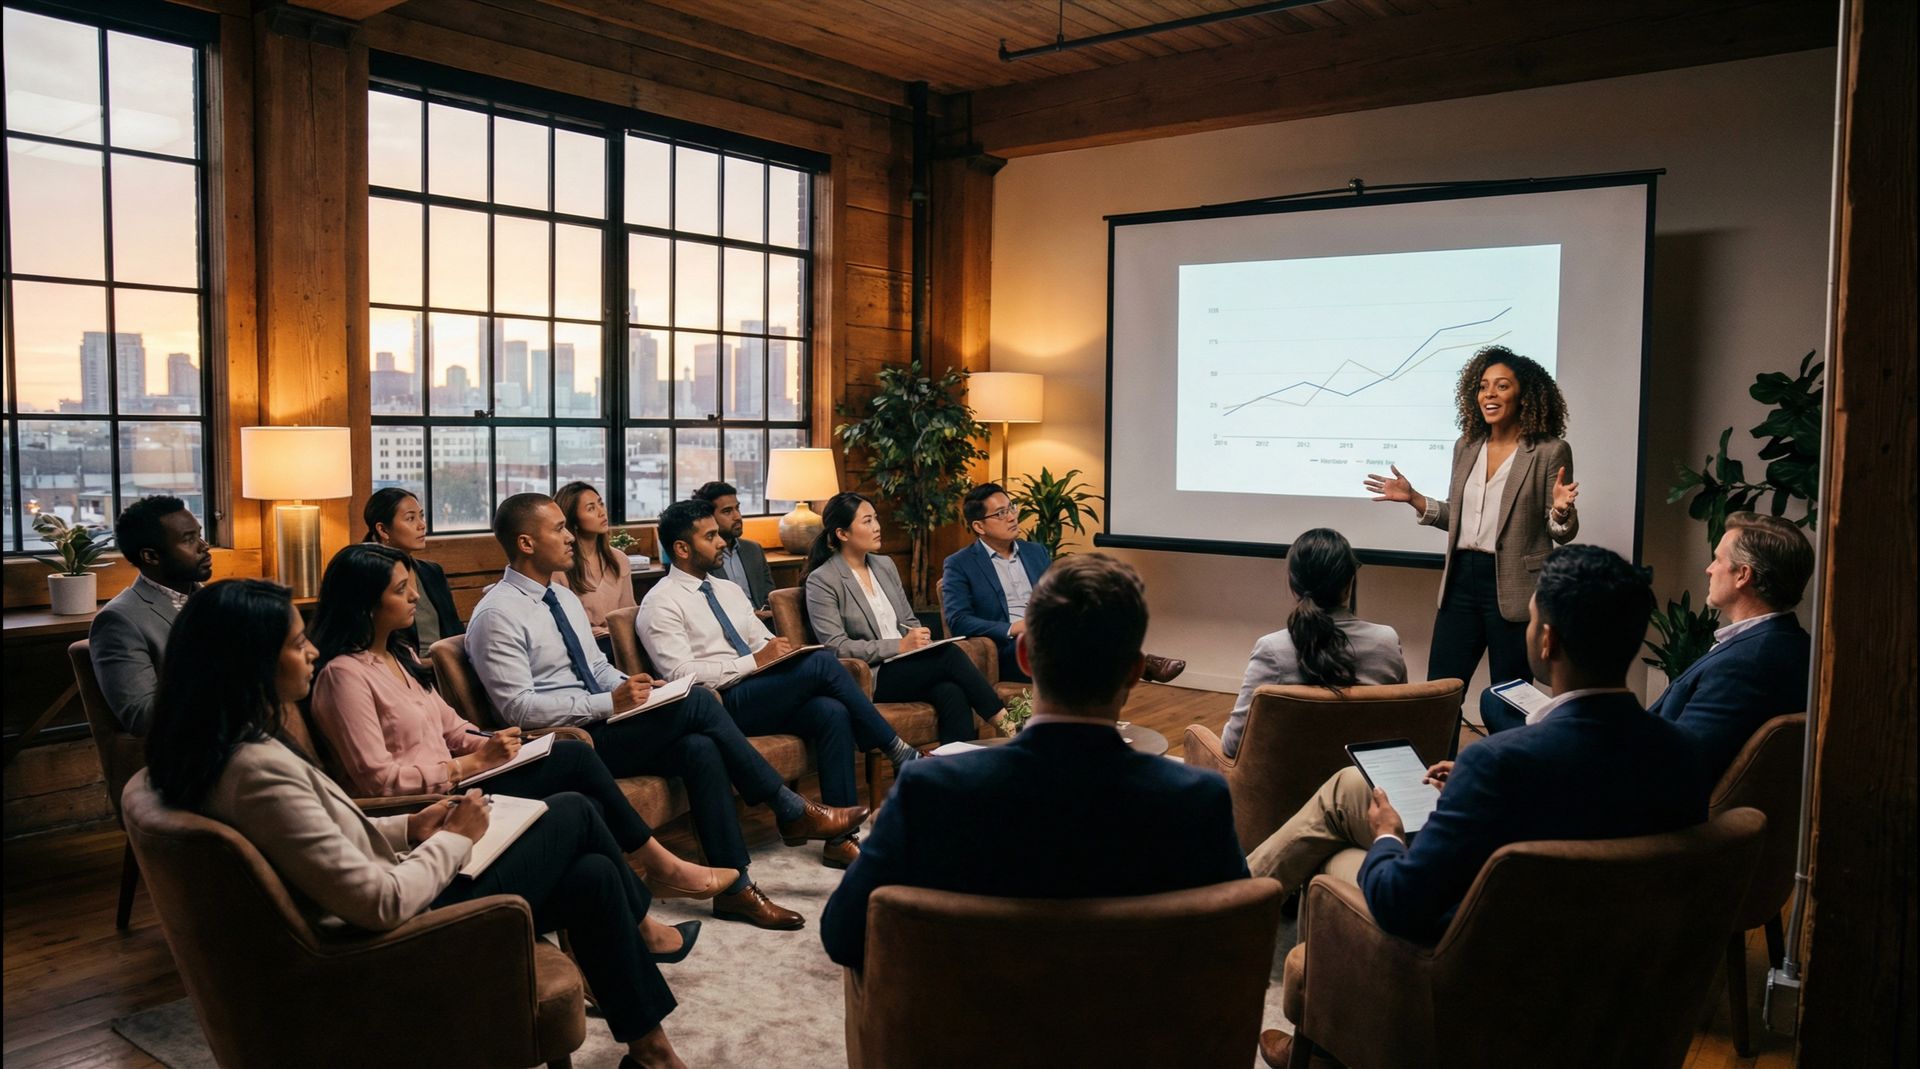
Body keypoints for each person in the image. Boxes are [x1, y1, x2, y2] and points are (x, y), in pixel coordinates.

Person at [143, 579, 690, 1068]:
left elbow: (314, 833)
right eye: (294, 643)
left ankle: (651, 1053)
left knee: (592, 874)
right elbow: (378, 902)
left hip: (390, 895)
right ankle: (647, 948)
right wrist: (455, 838)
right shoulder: (256, 771)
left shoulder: (219, 752)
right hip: (385, 943)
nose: (310, 649)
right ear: (248, 662)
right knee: (571, 809)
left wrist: (409, 829)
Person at [1245, 546, 1705, 1066]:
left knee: (1331, 869)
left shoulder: (1499, 763)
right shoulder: (1683, 756)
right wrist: (1467, 792)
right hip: (1611, 977)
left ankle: (1324, 1043)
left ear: (1547, 640)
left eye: (1531, 617)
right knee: (1350, 792)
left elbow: (1402, 902)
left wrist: (1389, 834)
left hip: (1481, 965)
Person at [821, 553, 1249, 970]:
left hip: (971, 1035)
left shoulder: (927, 791)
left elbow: (843, 936)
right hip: (1132, 1036)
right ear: (1136, 670)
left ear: (1023, 655)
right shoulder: (1198, 800)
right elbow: (1233, 950)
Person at [466, 493, 863, 931]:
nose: (570, 538)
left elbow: (596, 667)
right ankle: (788, 806)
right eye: (559, 529)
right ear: (525, 543)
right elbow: (516, 707)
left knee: (698, 748)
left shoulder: (561, 596)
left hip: (607, 720)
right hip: (566, 742)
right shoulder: (496, 614)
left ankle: (736, 889)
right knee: (694, 697)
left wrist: (631, 687)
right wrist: (607, 703)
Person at [307, 542, 736, 926]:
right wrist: (468, 764)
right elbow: (377, 781)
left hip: (468, 776)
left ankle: (637, 918)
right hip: (433, 801)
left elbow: (455, 728)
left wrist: (496, 746)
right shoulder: (344, 676)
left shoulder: (397, 658)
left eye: (412, 585)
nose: (416, 597)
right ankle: (660, 870)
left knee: (594, 788)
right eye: (401, 590)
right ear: (364, 603)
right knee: (576, 757)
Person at [637, 498, 912, 870]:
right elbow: (680, 676)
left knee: (829, 710)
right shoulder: (661, 604)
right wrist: (756, 661)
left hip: (758, 691)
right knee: (821, 663)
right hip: (718, 704)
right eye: (711, 536)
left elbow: (761, 642)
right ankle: (895, 747)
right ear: (682, 549)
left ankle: (838, 838)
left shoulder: (728, 591)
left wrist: (778, 654)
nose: (722, 542)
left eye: (718, 534)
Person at [1363, 346, 1579, 739]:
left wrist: (1561, 511)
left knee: (1510, 697)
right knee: (1440, 692)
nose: (1489, 395)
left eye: (1501, 386)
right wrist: (1415, 499)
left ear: (1524, 395)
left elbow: (1561, 531)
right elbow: (1459, 520)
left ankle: (1509, 781)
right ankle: (1432, 779)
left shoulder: (1548, 451)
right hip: (1462, 578)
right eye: (1483, 387)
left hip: (1513, 585)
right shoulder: (1466, 447)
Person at [804, 492, 1012, 742]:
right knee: (950, 655)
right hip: (870, 676)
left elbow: (908, 620)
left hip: (907, 666)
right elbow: (836, 647)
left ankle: (954, 772)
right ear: (842, 534)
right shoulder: (823, 580)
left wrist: (918, 637)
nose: (877, 527)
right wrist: (899, 646)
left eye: (876, 519)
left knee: (951, 691)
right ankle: (1007, 724)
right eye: (867, 521)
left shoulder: (885, 565)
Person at [942, 482, 1185, 685]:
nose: (1012, 517)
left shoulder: (1034, 552)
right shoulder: (960, 564)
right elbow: (958, 620)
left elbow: (1056, 596)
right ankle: (1138, 663)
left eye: (1011, 508)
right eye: (1000, 514)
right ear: (979, 526)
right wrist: (1013, 627)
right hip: (1010, 648)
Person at [1648, 512, 1814, 781]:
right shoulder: (1796, 645)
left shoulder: (1745, 665)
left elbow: (1677, 766)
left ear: (1743, 575)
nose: (1709, 569)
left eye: (1718, 559)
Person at [1222, 528, 1407, 758]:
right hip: (1366, 786)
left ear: (1293, 582)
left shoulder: (1272, 649)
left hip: (1289, 788)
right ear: (1350, 580)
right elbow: (1401, 724)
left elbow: (1233, 744)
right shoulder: (1387, 641)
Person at [89, 495, 212, 734]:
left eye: (199, 534)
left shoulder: (214, 601)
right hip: (191, 750)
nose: (204, 546)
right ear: (151, 556)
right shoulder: (118, 620)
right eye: (189, 540)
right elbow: (142, 715)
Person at [362, 487, 463, 653]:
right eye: (410, 518)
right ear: (383, 530)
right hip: (404, 672)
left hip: (447, 667)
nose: (422, 525)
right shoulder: (369, 575)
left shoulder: (432, 572)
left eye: (421, 516)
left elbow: (455, 630)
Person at [555, 480, 637, 659]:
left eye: (601, 504)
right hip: (583, 646)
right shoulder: (560, 566)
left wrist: (612, 631)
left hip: (618, 640)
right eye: (591, 508)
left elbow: (628, 613)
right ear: (573, 520)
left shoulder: (619, 560)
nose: (602, 512)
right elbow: (562, 624)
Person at [693, 481, 776, 619]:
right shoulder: (703, 556)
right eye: (727, 511)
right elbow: (703, 608)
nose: (737, 516)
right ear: (709, 518)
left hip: (763, 625)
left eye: (737, 508)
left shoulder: (754, 550)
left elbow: (769, 596)